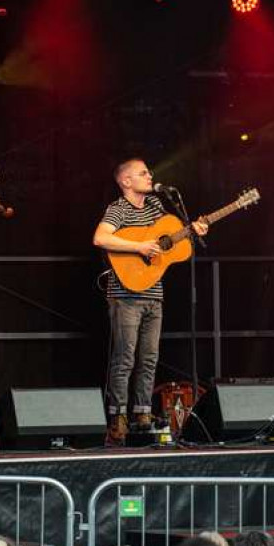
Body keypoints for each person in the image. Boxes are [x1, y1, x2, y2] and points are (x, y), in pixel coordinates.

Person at [92, 158, 207, 444]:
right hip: (125, 295)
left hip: (154, 294)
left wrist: (193, 231)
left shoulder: (157, 208)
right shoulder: (117, 209)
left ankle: (142, 415)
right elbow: (100, 238)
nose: (150, 176)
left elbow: (175, 245)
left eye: (149, 172)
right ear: (126, 181)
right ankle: (117, 417)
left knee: (149, 358)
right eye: (143, 173)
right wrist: (139, 245)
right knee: (124, 357)